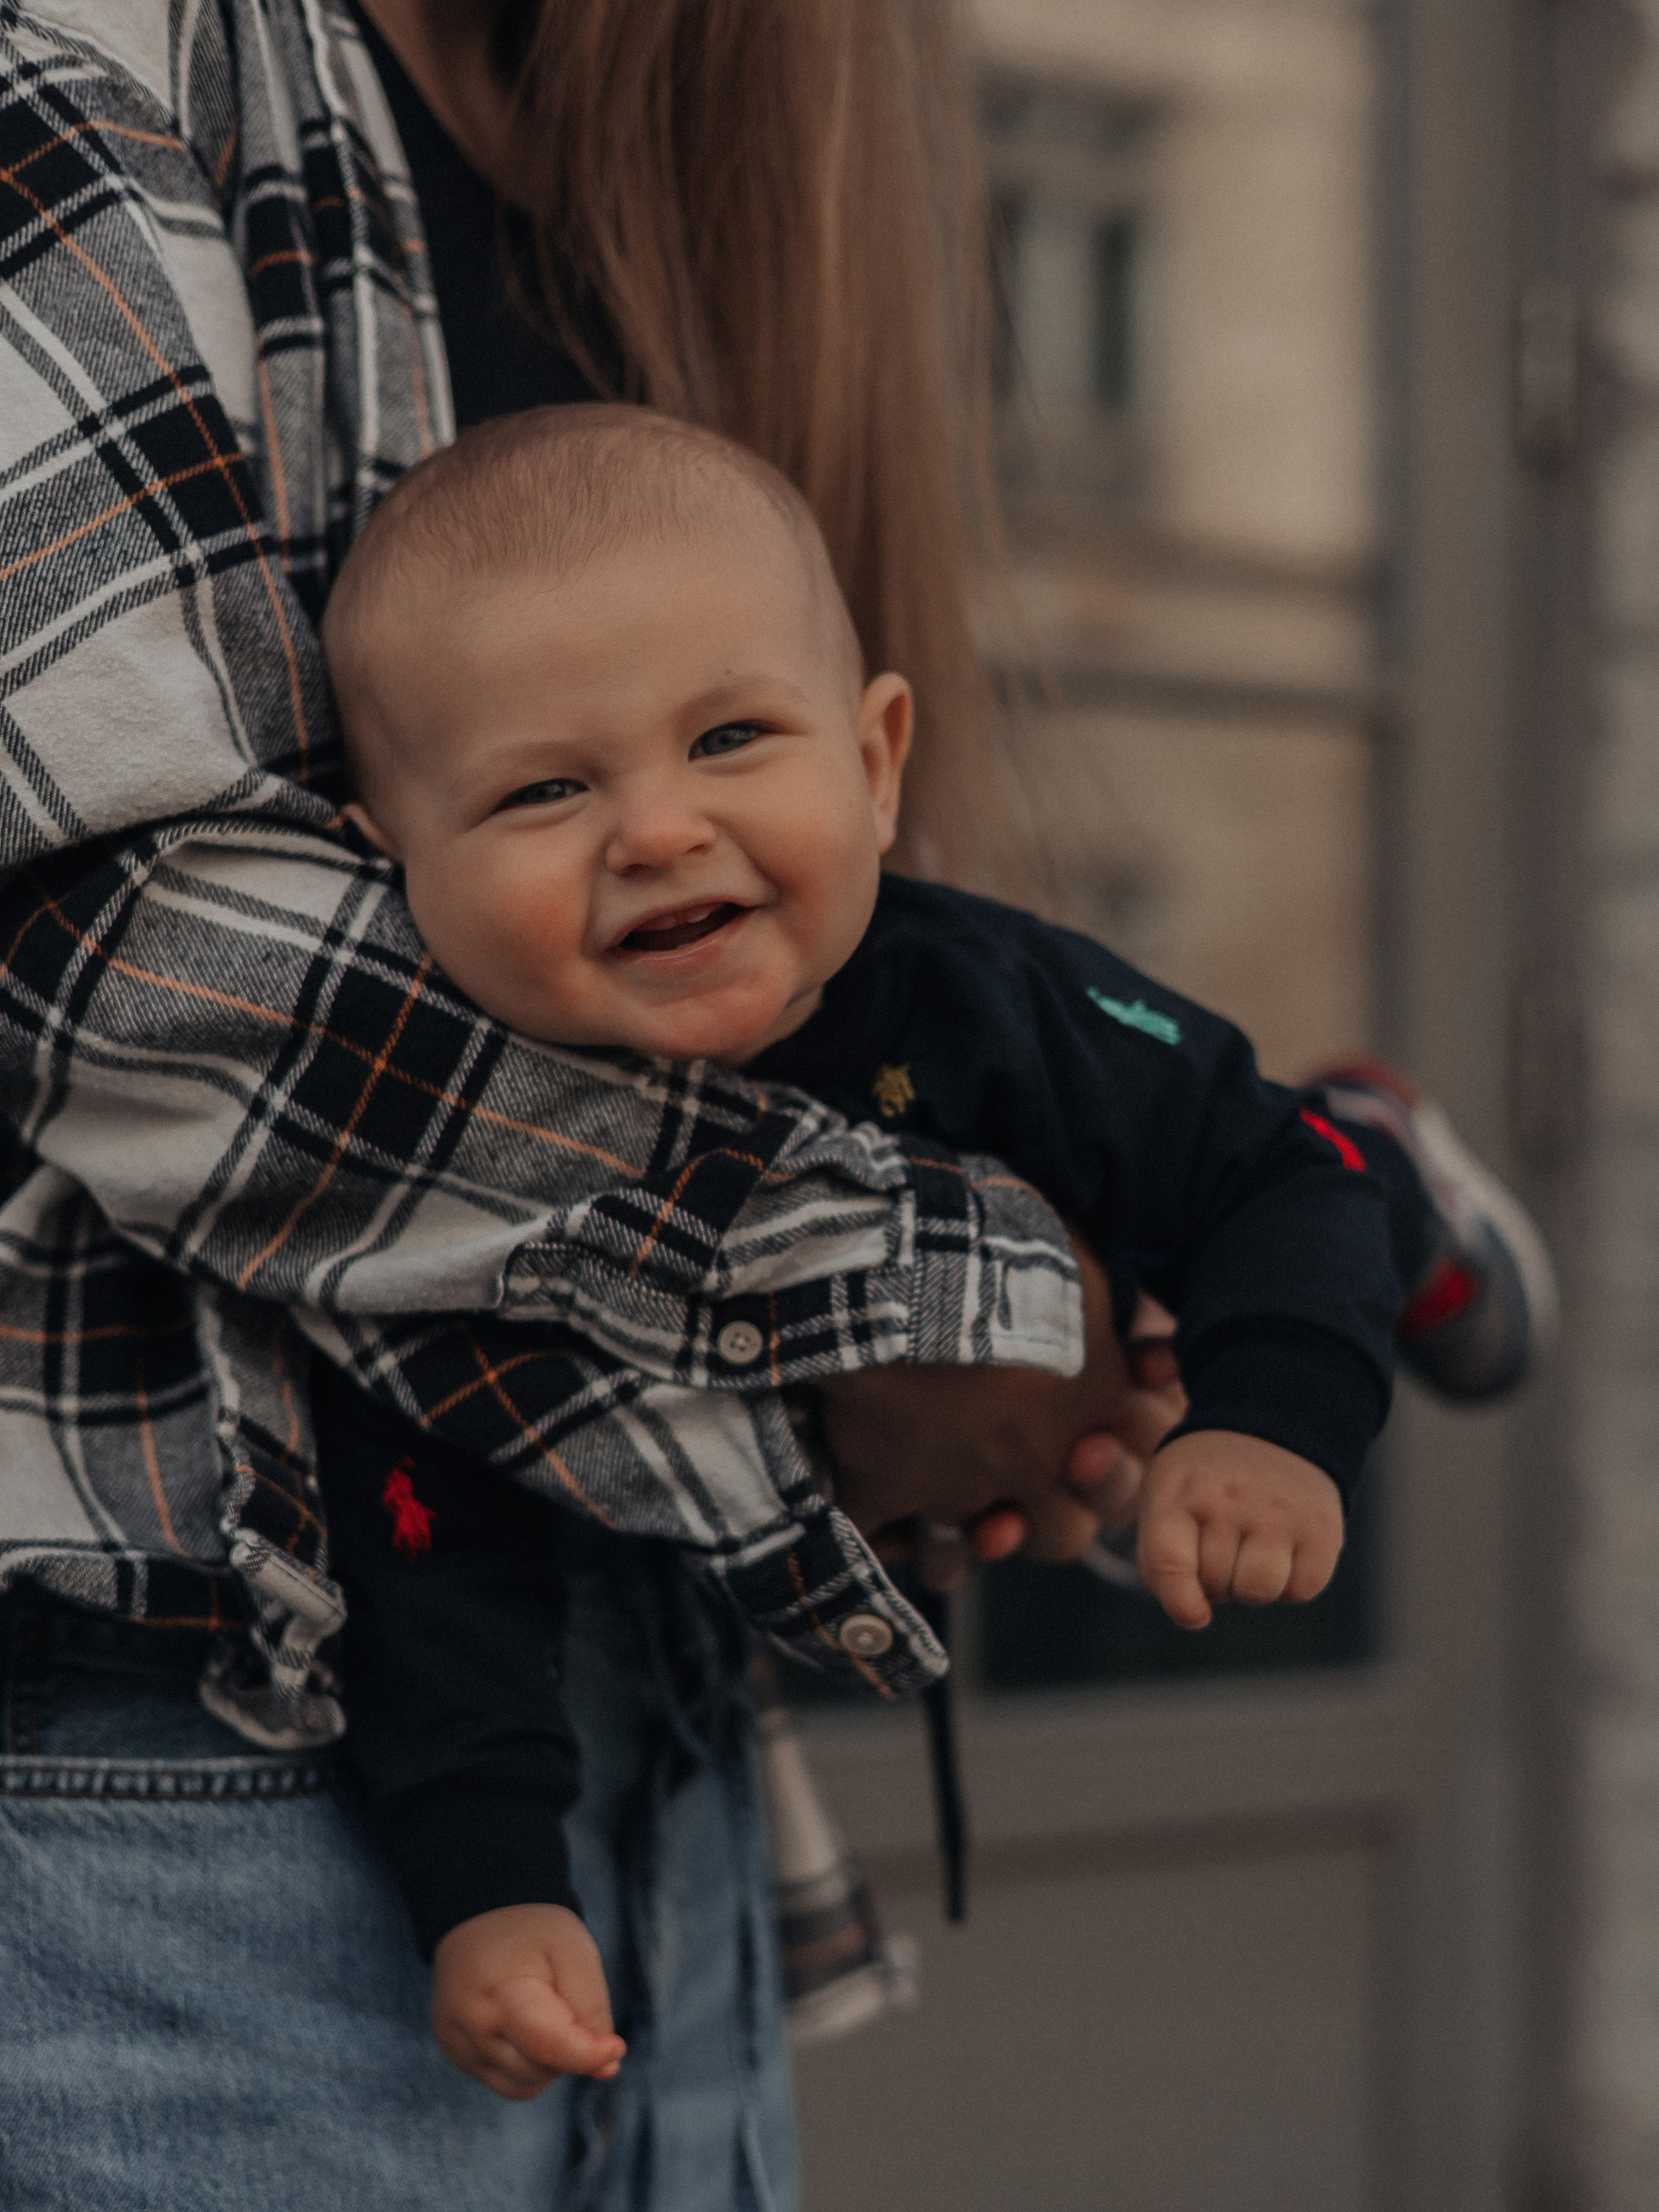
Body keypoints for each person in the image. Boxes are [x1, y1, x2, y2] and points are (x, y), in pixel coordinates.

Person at [0, 8, 1179, 2209]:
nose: (664, 831)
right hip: (179, 1767)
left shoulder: (662, 146)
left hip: (648, 1762)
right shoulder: (91, 41)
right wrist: (925, 1281)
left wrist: (955, 1383)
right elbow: (116, 948)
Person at [308, 401, 1543, 2100]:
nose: (659, 829)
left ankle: (1405, 1180)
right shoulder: (437, 1169)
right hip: (785, 1500)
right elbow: (423, 1535)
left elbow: (1278, 1176)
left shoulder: (980, 994)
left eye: (732, 737)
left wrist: (1278, 1420)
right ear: (394, 869)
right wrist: (491, 1890)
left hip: (1146, 1222)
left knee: (1291, 1210)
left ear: (877, 762)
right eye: (543, 788)